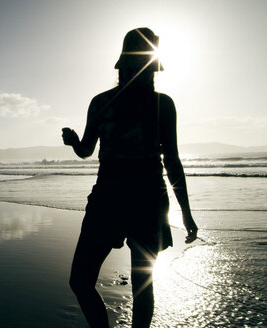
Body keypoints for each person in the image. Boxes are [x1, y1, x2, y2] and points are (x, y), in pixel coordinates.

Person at [62, 27, 198, 328]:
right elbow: (87, 149)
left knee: (126, 285)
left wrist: (186, 214)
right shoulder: (112, 103)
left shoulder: (153, 104)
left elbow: (172, 161)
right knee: (94, 282)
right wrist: (75, 143)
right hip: (129, 198)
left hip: (130, 198)